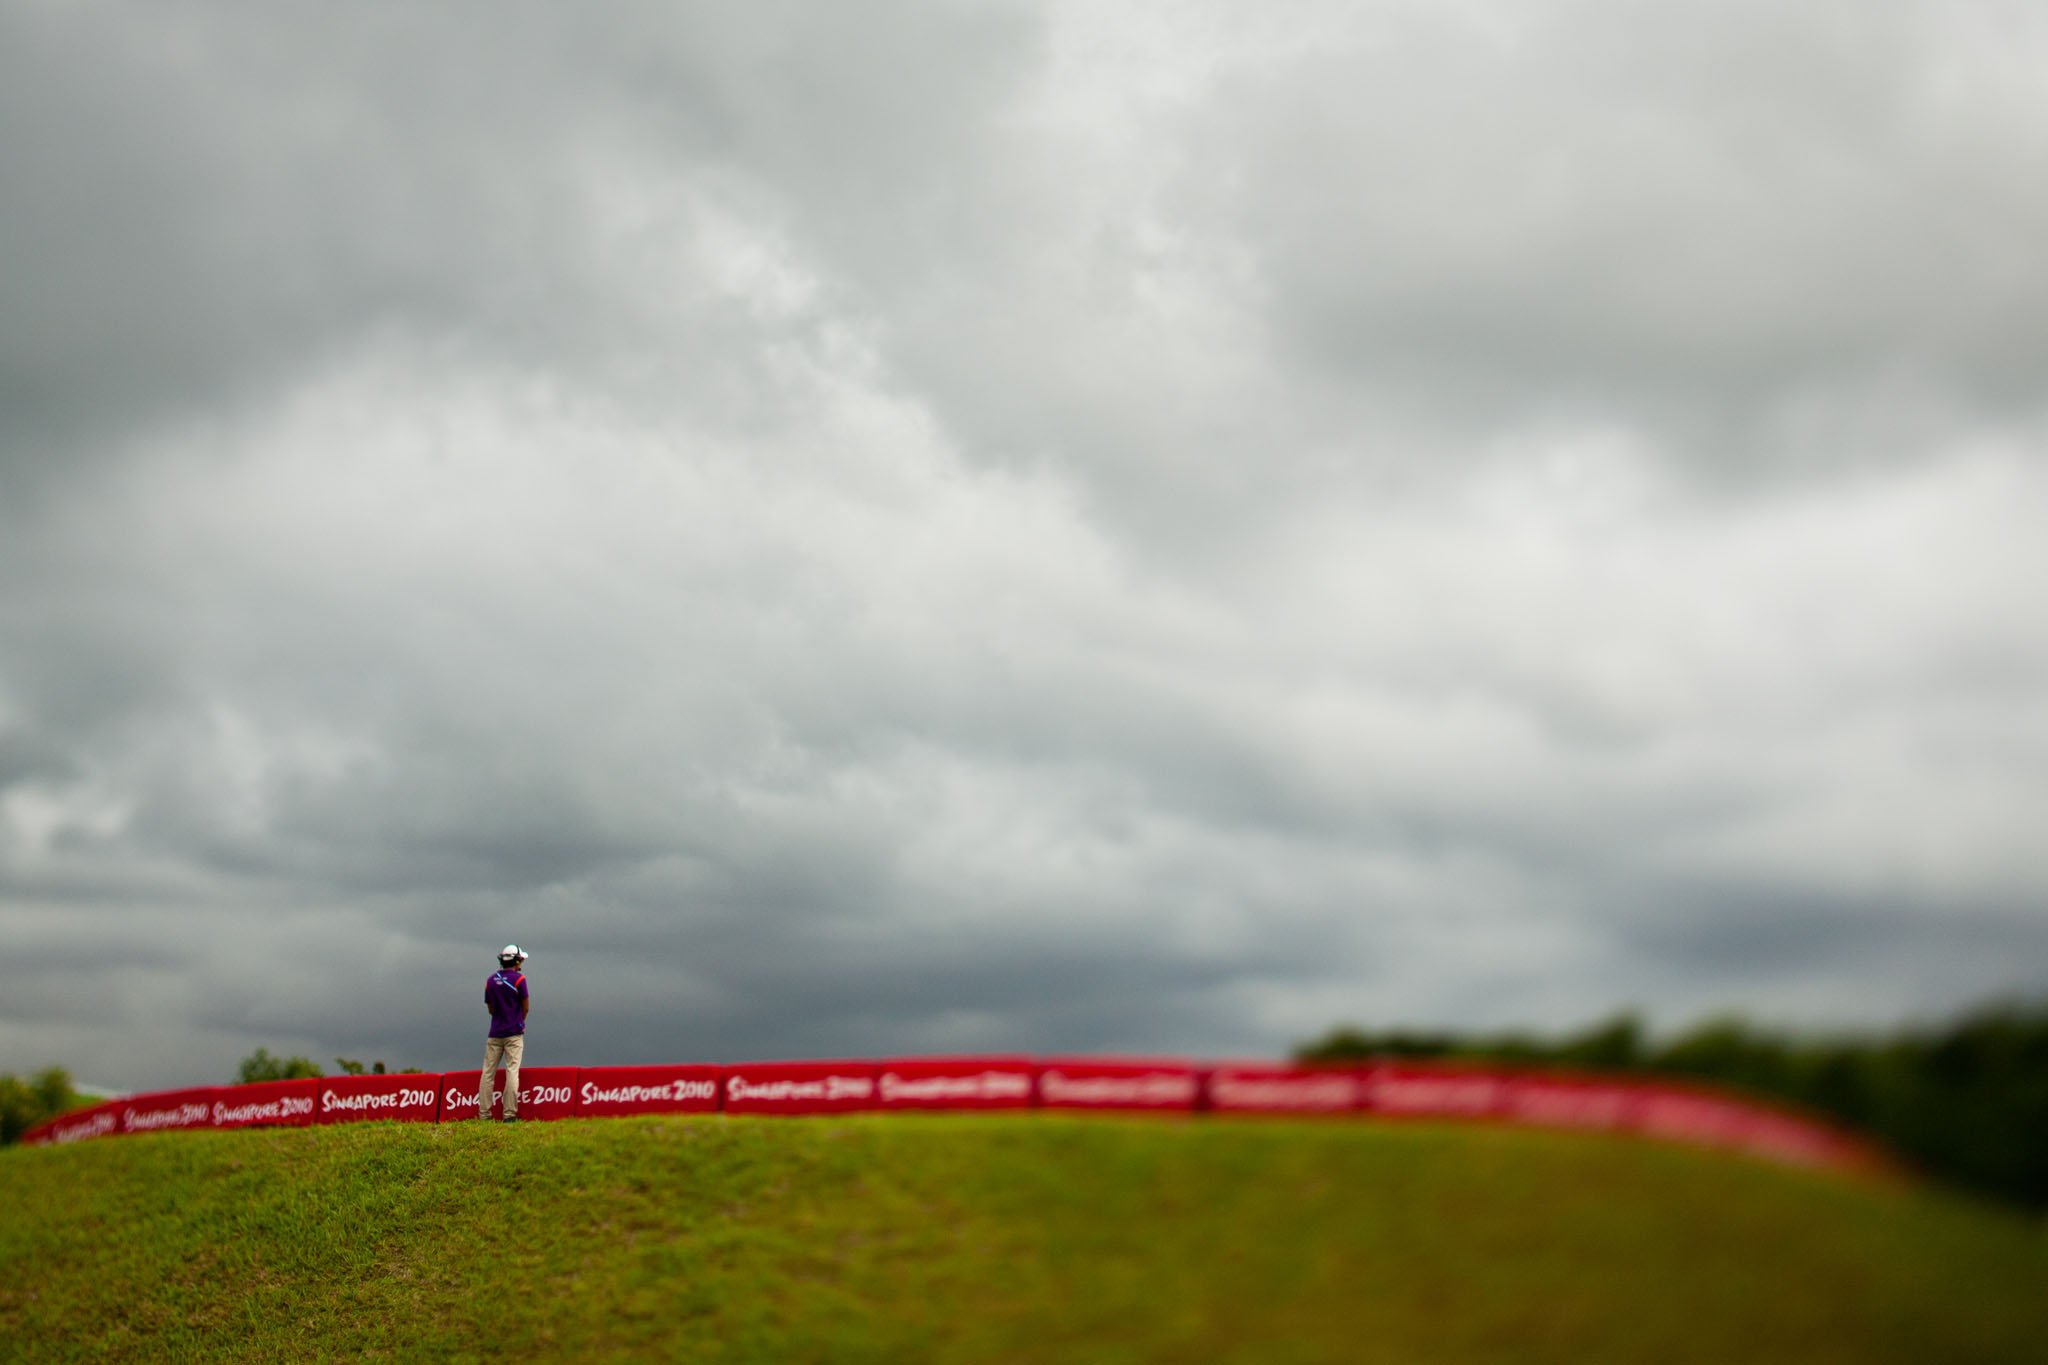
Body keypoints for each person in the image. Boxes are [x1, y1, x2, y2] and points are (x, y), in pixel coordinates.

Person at [481, 945, 530, 1122]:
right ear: (516, 961)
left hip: (495, 1033)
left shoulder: (490, 981)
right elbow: (526, 1006)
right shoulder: (519, 980)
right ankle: (509, 1114)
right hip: (514, 1033)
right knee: (512, 1071)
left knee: (488, 1073)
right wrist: (519, 1021)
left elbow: (490, 1008)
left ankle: (484, 1114)